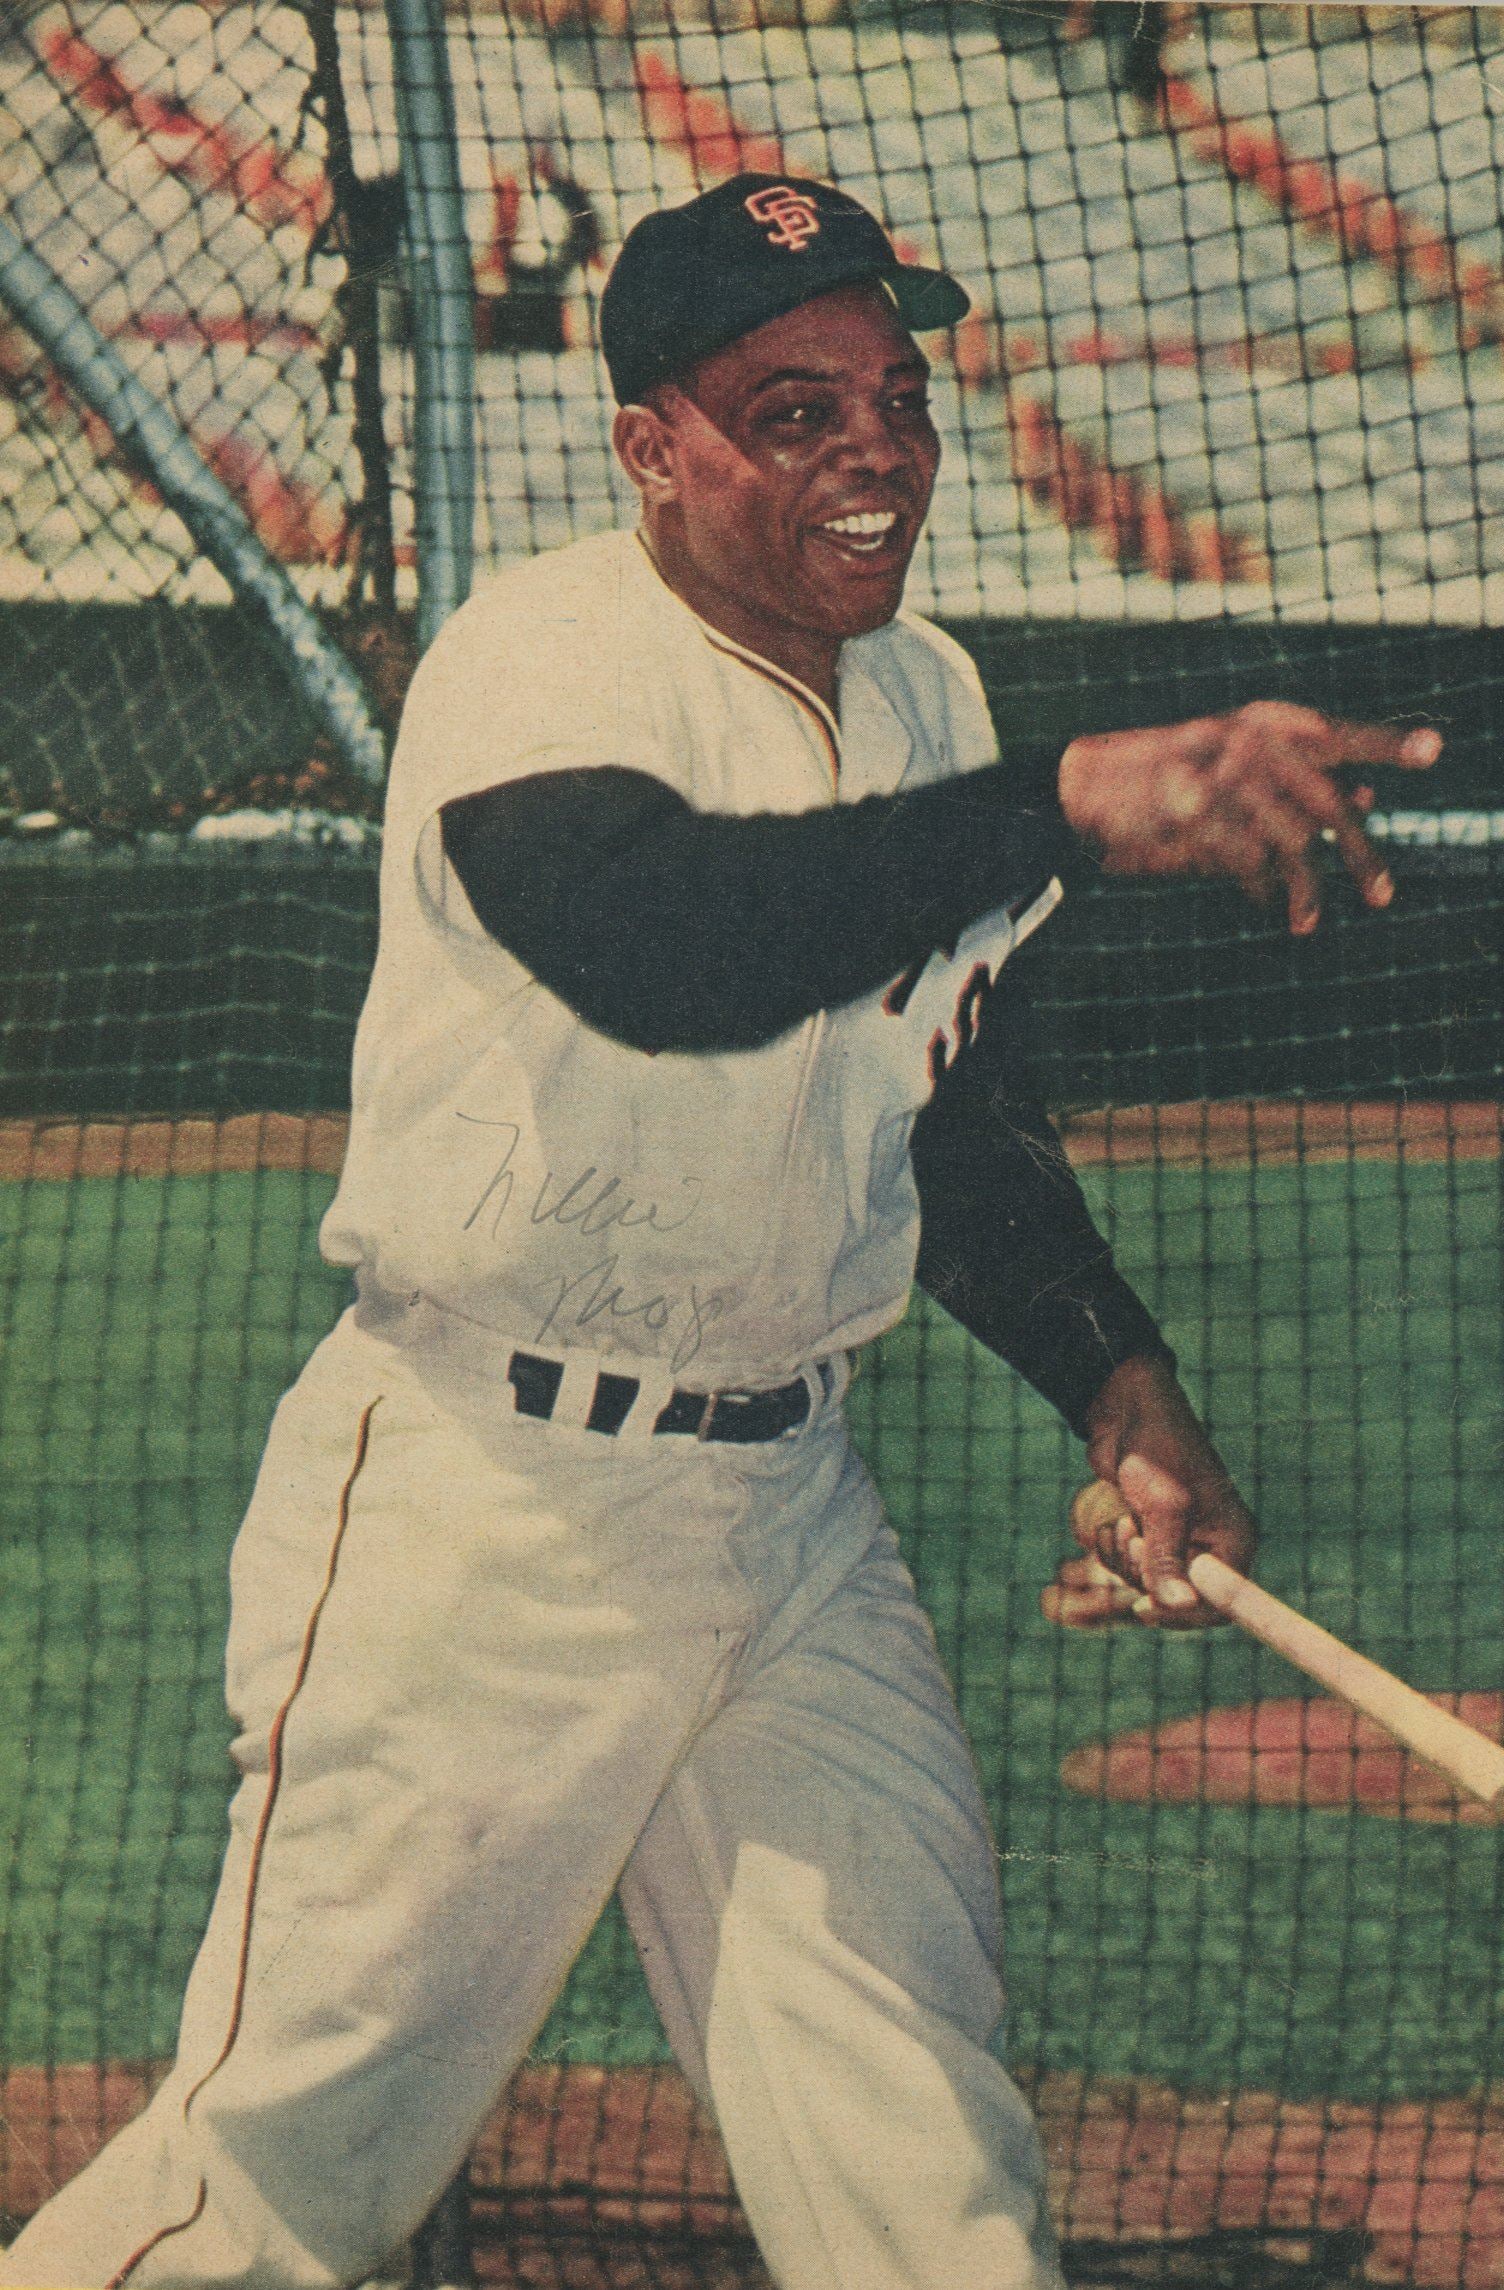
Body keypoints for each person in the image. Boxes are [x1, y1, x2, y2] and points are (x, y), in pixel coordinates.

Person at [0, 173, 1439, 2290]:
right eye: (790, 411)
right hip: (491, 1516)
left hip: (791, 1522)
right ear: (650, 445)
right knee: (276, 2183)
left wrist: (1121, 1384)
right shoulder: (541, 657)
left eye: (895, 397)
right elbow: (676, 943)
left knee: (925, 2178)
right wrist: (1062, 802)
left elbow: (932, 1100)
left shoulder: (926, 694)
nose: (871, 452)